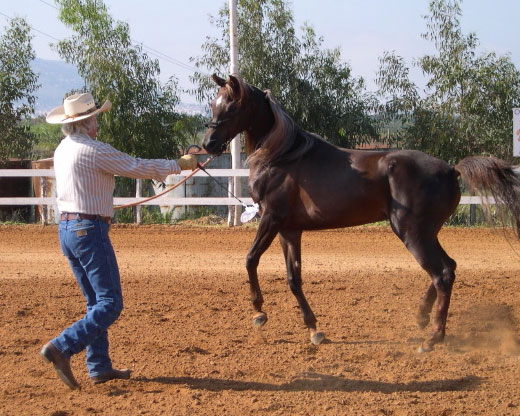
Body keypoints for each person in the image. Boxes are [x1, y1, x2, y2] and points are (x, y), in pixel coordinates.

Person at [40, 92, 197, 389]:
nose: (97, 121)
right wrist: (179, 164)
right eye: (95, 117)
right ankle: (61, 347)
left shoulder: (63, 149)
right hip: (89, 230)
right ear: (87, 122)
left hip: (69, 229)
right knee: (110, 304)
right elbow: (136, 166)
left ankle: (98, 366)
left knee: (95, 302)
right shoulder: (93, 150)